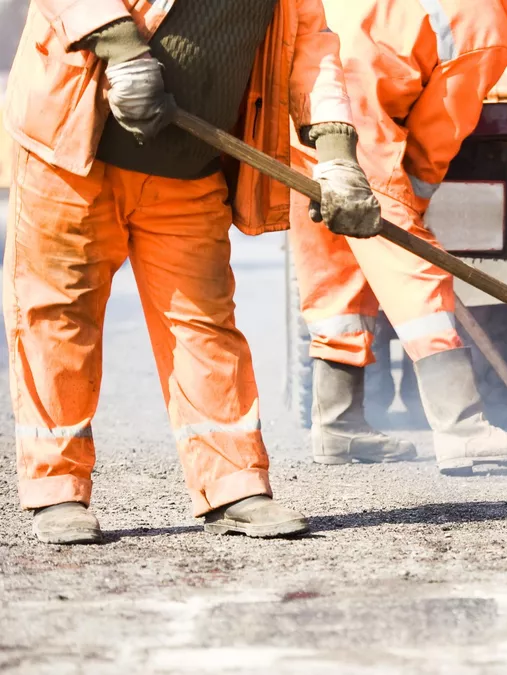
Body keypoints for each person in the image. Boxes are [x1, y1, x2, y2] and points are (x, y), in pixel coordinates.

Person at [4, 0, 380, 543]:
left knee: (204, 324)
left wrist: (337, 152)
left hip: (187, 166)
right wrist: (123, 49)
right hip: (71, 153)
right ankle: (56, 490)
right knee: (58, 316)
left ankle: (235, 486)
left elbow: (310, 48)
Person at [289, 0, 507, 474]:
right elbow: (437, 134)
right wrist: (409, 206)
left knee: (336, 278)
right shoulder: (484, 23)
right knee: (418, 280)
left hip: (305, 118)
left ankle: (339, 425)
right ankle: (463, 430)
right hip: (359, 134)